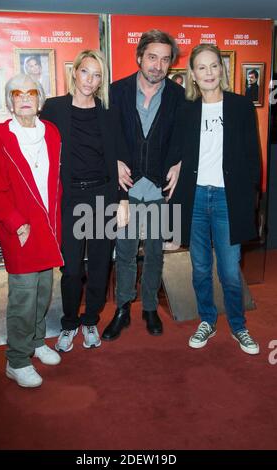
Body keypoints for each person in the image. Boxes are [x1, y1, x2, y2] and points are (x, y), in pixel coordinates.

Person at [170, 44, 260, 355]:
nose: (208, 72)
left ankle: (238, 325)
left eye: (213, 66)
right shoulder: (186, 111)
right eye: (202, 68)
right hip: (195, 199)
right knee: (200, 267)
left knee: (230, 270)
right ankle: (207, 319)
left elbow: (252, 156)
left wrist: (250, 201)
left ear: (221, 70)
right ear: (193, 74)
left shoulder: (240, 107)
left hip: (227, 199)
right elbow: (177, 154)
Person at [40, 50, 128, 353]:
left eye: (97, 75)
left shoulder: (108, 112)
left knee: (101, 264)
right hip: (71, 196)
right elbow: (33, 144)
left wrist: (124, 199)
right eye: (86, 72)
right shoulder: (53, 108)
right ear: (74, 72)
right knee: (72, 268)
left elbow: (121, 157)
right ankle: (69, 323)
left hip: (103, 194)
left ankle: (90, 319)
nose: (90, 80)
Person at [0, 74, 63, 387]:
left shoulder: (51, 133)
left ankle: (37, 341)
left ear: (39, 99)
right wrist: (17, 223)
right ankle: (16, 360)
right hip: (20, 229)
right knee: (24, 296)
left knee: (43, 291)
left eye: (31, 92)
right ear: (9, 101)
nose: (25, 97)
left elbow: (55, 183)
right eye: (17, 93)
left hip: (47, 227)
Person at [101, 29, 185, 341]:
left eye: (165, 59)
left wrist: (180, 161)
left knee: (154, 251)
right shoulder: (117, 91)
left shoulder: (179, 96)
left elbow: (183, 136)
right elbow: (107, 135)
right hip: (126, 187)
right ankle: (123, 308)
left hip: (159, 187)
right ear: (139, 58)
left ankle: (149, 306)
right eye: (152, 57)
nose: (157, 65)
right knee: (123, 251)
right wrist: (113, 162)